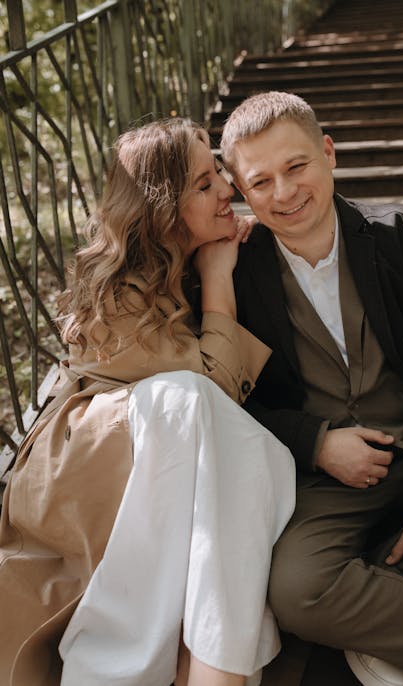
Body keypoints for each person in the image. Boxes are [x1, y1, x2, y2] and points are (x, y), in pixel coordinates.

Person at [0, 118, 295, 686]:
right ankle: (206, 669)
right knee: (188, 403)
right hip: (87, 458)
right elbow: (215, 391)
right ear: (162, 207)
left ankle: (206, 664)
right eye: (205, 185)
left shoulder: (191, 260)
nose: (227, 191)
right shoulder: (117, 287)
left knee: (253, 455)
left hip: (165, 452)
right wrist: (216, 279)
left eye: (221, 176)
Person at [219, 91, 403, 686]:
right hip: (328, 479)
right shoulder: (235, 274)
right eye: (260, 182)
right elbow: (231, 403)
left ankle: (384, 599)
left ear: (328, 153)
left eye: (296, 167)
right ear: (242, 193)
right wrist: (315, 442)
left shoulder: (398, 236)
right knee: (296, 589)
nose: (284, 193)